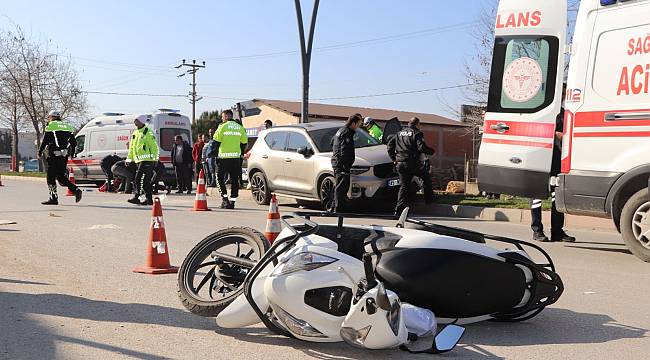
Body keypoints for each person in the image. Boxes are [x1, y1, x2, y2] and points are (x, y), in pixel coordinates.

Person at [531, 86, 575, 243]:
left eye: (564, 94)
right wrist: (553, 134)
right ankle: (537, 230)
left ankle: (557, 231)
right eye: (561, 94)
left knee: (557, 196)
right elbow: (533, 130)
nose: (563, 96)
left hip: (558, 160)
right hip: (541, 159)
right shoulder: (541, 111)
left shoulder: (564, 114)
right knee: (537, 197)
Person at [387, 117, 435, 217]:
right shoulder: (417, 133)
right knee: (426, 177)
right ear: (417, 124)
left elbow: (389, 146)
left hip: (400, 164)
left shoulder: (399, 133)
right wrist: (432, 151)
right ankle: (429, 200)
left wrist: (394, 159)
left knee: (404, 186)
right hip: (412, 163)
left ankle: (398, 211)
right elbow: (421, 147)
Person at [38, 110, 82, 205]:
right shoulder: (67, 127)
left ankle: (53, 198)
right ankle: (76, 190)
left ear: (52, 117)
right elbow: (74, 143)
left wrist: (40, 152)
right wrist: (72, 153)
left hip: (53, 155)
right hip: (63, 156)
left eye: (49, 117)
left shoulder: (50, 126)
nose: (48, 119)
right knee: (60, 177)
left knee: (50, 177)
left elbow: (45, 141)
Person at [213, 109, 248, 209]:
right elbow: (244, 142)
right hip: (236, 159)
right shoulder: (240, 127)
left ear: (227, 116)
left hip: (223, 158)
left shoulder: (222, 126)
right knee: (234, 180)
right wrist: (240, 153)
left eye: (222, 116)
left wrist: (214, 154)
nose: (221, 118)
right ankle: (232, 202)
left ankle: (225, 200)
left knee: (219, 178)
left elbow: (216, 142)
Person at [331, 114, 362, 213]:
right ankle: (338, 208)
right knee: (342, 186)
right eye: (358, 124)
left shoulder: (340, 131)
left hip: (338, 162)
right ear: (353, 123)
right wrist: (345, 164)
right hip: (342, 164)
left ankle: (334, 207)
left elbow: (332, 142)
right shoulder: (347, 133)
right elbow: (344, 150)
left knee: (340, 185)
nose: (358, 126)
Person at [126, 115, 159, 206]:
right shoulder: (136, 133)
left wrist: (155, 158)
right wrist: (129, 159)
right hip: (139, 160)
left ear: (141, 121)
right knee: (145, 181)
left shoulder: (148, 132)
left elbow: (154, 147)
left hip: (147, 160)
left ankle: (137, 197)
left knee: (138, 178)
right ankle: (149, 199)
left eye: (136, 120)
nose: (135, 122)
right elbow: (132, 148)